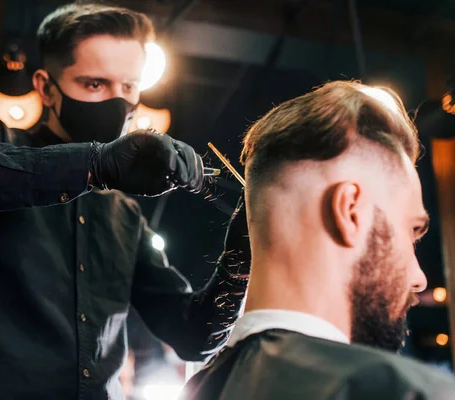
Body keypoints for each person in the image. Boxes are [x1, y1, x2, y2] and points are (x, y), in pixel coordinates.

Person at [0, 3, 248, 400]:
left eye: (129, 87)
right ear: (45, 87)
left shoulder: (123, 214)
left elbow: (193, 335)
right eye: (95, 84)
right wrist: (92, 164)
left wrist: (241, 257)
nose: (119, 102)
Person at [182, 81, 455, 399]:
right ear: (351, 211)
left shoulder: (198, 390)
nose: (419, 279)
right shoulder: (401, 391)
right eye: (410, 232)